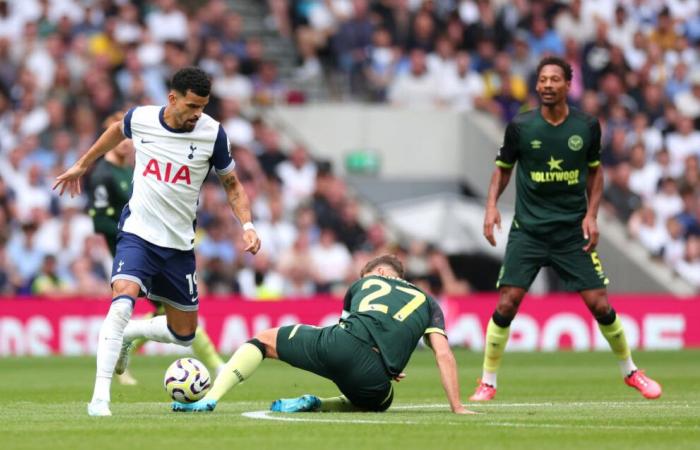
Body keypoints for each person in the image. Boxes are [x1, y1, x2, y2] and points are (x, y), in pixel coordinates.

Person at [53, 67, 262, 416]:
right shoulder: (143, 119)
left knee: (184, 335)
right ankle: (100, 398)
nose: (198, 114)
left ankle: (132, 333)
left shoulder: (213, 135)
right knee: (121, 300)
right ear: (173, 98)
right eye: (193, 106)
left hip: (179, 245)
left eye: (204, 107)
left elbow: (233, 186)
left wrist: (248, 225)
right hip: (138, 232)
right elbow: (114, 131)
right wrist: (82, 165)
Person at [470, 56, 662, 402]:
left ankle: (631, 372)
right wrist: (490, 206)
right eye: (542, 79)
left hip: (571, 231)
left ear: (567, 84)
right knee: (508, 302)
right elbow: (502, 168)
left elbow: (595, 172)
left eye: (554, 79)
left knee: (599, 304)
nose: (546, 85)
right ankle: (487, 382)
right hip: (528, 230)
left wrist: (592, 215)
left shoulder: (586, 126)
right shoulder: (521, 126)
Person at [171, 254, 474, 415]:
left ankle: (209, 398)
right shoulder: (428, 301)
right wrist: (456, 407)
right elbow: (444, 354)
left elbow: (352, 328)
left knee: (263, 341)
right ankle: (319, 403)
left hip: (337, 345)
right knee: (380, 402)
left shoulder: (361, 286)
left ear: (380, 274)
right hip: (375, 378)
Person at [86, 113, 226, 387]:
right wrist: (130, 234)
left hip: (155, 246)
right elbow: (99, 220)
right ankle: (215, 364)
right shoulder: (103, 175)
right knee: (161, 311)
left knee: (173, 316)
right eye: (119, 139)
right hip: (131, 248)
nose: (125, 144)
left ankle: (126, 347)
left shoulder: (131, 168)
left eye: (128, 140)